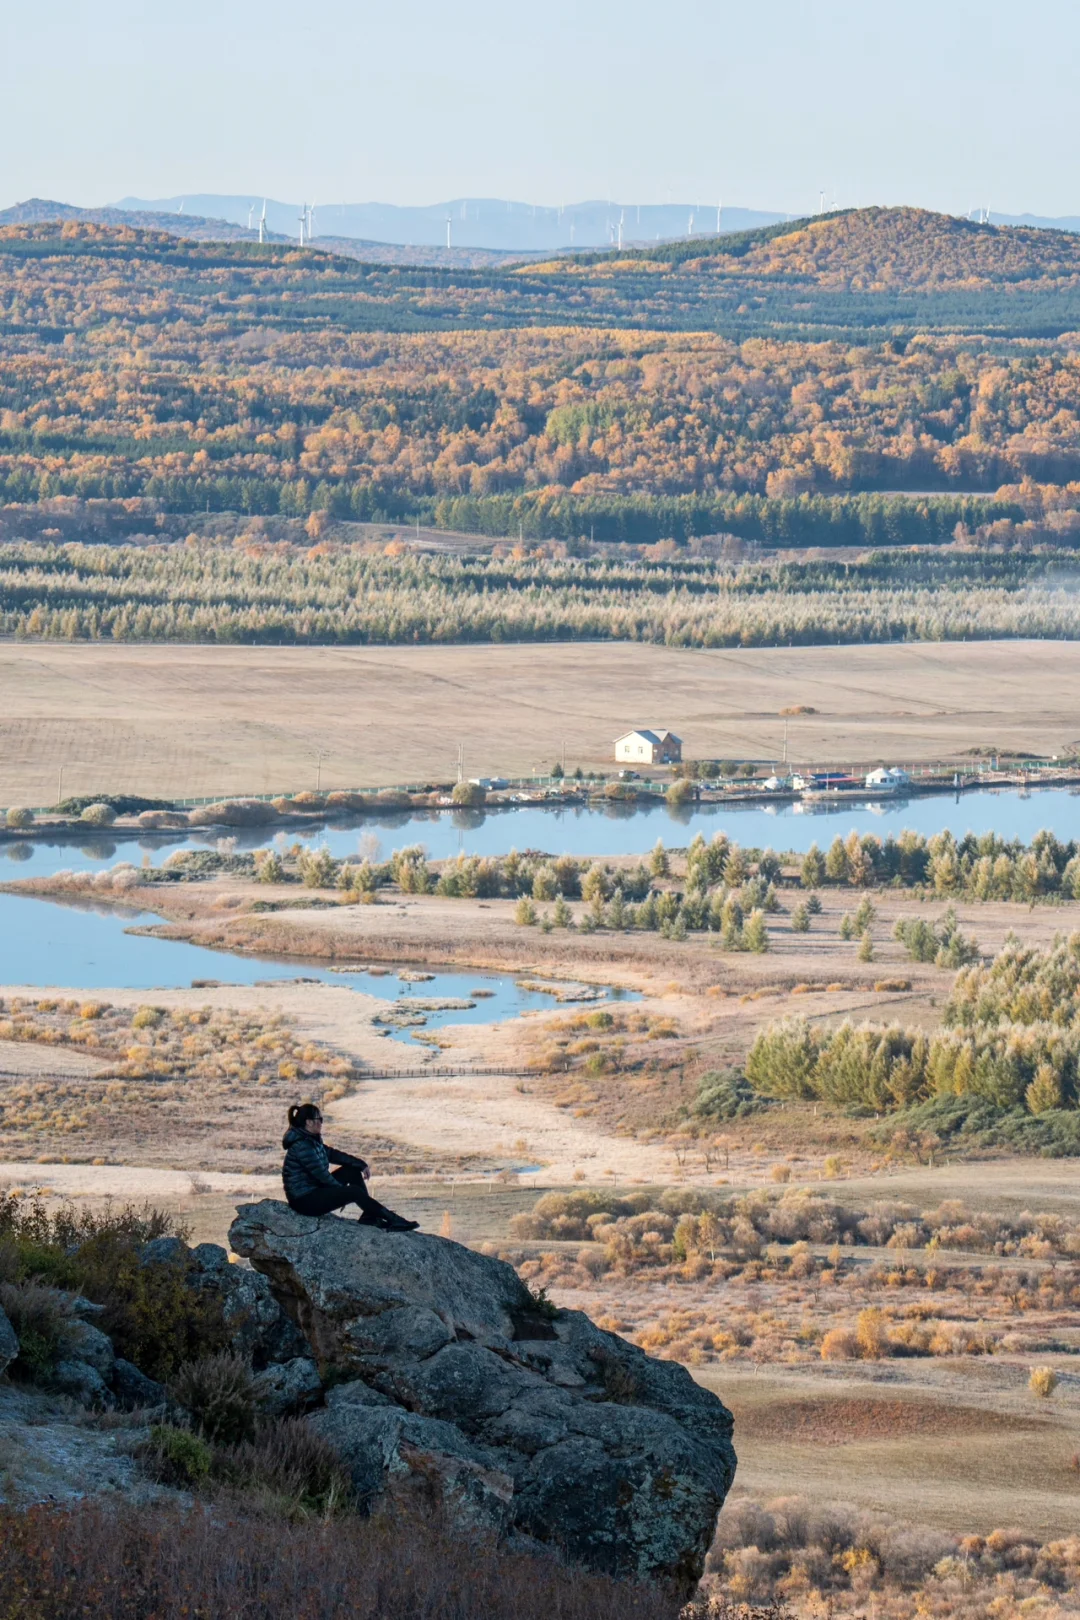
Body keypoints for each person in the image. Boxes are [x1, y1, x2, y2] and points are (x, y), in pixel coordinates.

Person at [281, 1104, 418, 1230]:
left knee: (351, 1171)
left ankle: (369, 1216)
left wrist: (360, 1164)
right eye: (320, 1119)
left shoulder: (310, 1139)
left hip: (313, 1191)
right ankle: (393, 1219)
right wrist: (342, 1192)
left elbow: (332, 1154)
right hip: (304, 1201)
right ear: (309, 1122)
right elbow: (322, 1175)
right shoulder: (302, 1146)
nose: (322, 1123)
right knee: (354, 1192)